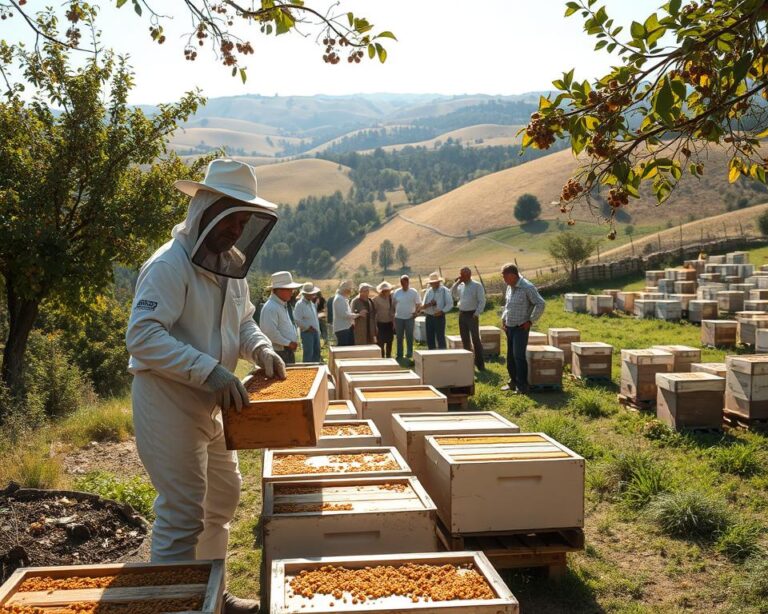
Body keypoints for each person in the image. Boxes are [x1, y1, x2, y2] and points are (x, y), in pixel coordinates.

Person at [126, 158, 286, 613]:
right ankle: (174, 603)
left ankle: (211, 595)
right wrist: (208, 369)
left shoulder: (229, 264)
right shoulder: (168, 265)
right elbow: (142, 335)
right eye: (232, 216)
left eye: (244, 219)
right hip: (169, 401)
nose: (238, 228)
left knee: (224, 496)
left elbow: (245, 321)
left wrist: (259, 350)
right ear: (206, 209)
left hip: (215, 401)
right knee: (182, 511)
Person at [500, 263, 546, 394]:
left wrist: (530, 321)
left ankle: (522, 386)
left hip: (521, 327)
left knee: (518, 356)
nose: (504, 280)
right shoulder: (510, 287)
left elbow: (540, 303)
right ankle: (513, 382)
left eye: (505, 277)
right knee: (510, 357)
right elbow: (508, 305)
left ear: (513, 276)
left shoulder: (527, 287)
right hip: (509, 327)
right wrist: (504, 319)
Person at [260, 271, 301, 365]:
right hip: (279, 353)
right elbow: (270, 333)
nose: (292, 293)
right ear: (278, 290)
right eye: (289, 289)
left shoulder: (280, 305)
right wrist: (288, 343)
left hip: (285, 351)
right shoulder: (271, 307)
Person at [451, 266, 487, 371]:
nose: (460, 277)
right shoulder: (461, 286)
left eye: (462, 275)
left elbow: (482, 301)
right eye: (460, 274)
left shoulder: (477, 285)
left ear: (469, 275)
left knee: (475, 339)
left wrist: (477, 313)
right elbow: (452, 294)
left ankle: (480, 365)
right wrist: (457, 283)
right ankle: (468, 364)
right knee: (465, 339)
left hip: (472, 314)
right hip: (462, 314)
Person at [421, 271, 453, 349]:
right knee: (430, 337)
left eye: (435, 282)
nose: (433, 284)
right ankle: (432, 356)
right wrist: (429, 304)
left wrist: (441, 312)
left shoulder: (444, 290)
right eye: (432, 283)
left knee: (440, 337)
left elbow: (450, 304)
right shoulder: (428, 291)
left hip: (439, 317)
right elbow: (423, 305)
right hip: (429, 316)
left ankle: (442, 356)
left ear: (438, 282)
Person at [393, 274, 421, 360]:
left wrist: (416, 312)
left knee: (409, 336)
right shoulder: (397, 292)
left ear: (408, 282)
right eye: (402, 282)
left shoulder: (413, 292)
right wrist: (394, 316)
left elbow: (418, 304)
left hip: (410, 318)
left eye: (405, 282)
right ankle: (399, 354)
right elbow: (393, 304)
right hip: (399, 318)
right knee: (399, 337)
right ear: (400, 283)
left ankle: (409, 353)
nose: (404, 284)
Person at [294, 282, 322, 363]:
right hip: (307, 333)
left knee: (317, 353)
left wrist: (317, 330)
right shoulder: (299, 304)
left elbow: (314, 318)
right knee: (308, 354)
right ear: (305, 294)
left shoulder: (312, 304)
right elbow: (297, 319)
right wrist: (307, 327)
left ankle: (316, 369)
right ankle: (307, 370)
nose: (313, 295)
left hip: (315, 332)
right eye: (311, 293)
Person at [372, 281, 396, 357]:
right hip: (380, 323)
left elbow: (392, 310)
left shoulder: (391, 298)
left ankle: (388, 357)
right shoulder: (375, 299)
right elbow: (374, 313)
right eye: (386, 291)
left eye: (388, 290)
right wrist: (375, 325)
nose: (388, 292)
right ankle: (381, 357)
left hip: (389, 323)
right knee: (380, 342)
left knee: (389, 341)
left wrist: (394, 323)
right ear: (382, 291)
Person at [332, 280, 359, 346]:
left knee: (348, 348)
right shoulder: (339, 299)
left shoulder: (342, 298)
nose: (351, 291)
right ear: (345, 290)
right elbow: (344, 314)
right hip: (342, 329)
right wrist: (357, 315)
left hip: (345, 328)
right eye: (349, 289)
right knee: (344, 349)